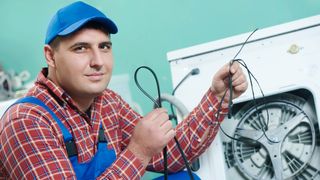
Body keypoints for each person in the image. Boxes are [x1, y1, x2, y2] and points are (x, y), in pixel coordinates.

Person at [0, 1, 248, 179]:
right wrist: (138, 151)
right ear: (50, 56)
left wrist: (217, 97)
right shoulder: (26, 121)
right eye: (81, 48)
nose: (98, 61)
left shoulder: (108, 103)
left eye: (105, 47)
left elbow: (170, 155)